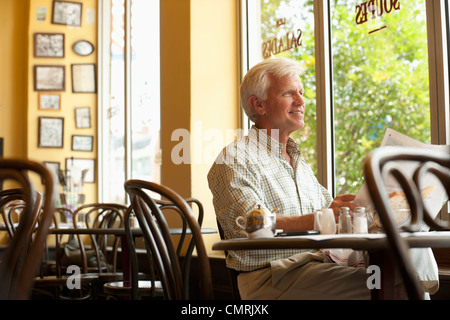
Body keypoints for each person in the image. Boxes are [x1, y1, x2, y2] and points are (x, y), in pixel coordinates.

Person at [207, 58, 438, 299]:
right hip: (272, 277)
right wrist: (321, 217)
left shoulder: (296, 160)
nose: (301, 101)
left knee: (403, 274)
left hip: (321, 263)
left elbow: (330, 212)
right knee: (395, 286)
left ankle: (418, 279)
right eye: (288, 93)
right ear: (259, 105)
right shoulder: (234, 159)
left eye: (301, 93)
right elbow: (250, 226)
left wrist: (358, 208)